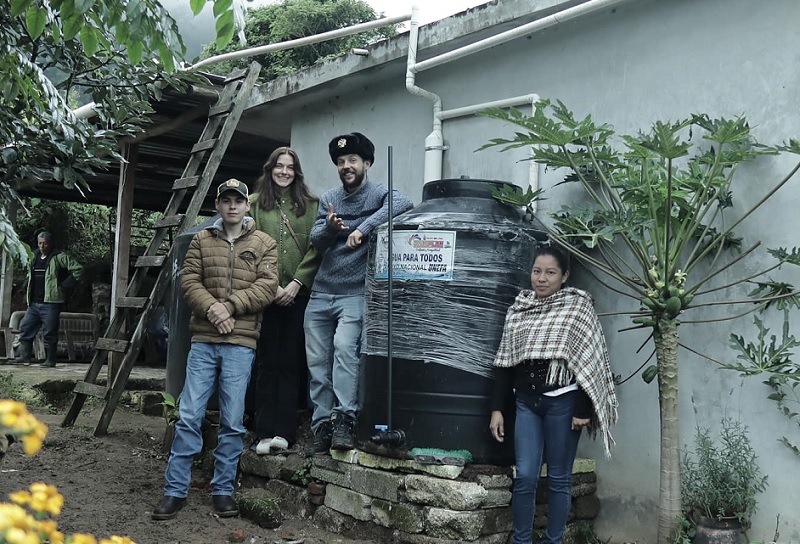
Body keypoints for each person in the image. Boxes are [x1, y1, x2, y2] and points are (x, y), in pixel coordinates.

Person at [152, 179, 278, 521]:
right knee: (190, 415)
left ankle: (223, 490)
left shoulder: (265, 243)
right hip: (204, 341)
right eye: (226, 200)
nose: (233, 206)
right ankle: (175, 491)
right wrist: (213, 310)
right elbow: (188, 282)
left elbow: (267, 287)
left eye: (238, 200)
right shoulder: (200, 240)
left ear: (247, 205)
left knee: (233, 420)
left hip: (240, 343)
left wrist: (230, 307)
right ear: (218, 205)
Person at [489, 243, 618, 544]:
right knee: (525, 478)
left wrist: (583, 410)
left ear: (565, 276)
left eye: (550, 272)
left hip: (564, 403)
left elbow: (590, 360)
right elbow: (505, 360)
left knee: (559, 479)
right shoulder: (518, 309)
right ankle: (522, 541)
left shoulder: (578, 309)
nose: (542, 278)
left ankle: (553, 540)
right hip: (526, 404)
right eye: (537, 271)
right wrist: (497, 408)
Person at [304, 132, 413, 455]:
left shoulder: (378, 193)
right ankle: (321, 426)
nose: (346, 166)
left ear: (367, 163)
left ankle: (344, 420)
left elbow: (403, 203)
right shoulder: (329, 198)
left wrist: (362, 229)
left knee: (344, 352)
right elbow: (316, 240)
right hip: (322, 292)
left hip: (354, 292)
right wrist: (331, 228)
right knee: (316, 364)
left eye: (352, 160)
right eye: (340, 162)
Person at [249, 147, 321, 455]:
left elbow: (317, 247)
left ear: (297, 172)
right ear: (271, 168)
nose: (284, 172)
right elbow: (249, 247)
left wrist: (295, 283)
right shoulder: (253, 205)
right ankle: (263, 430)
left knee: (292, 362)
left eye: (290, 167)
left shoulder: (311, 205)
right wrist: (273, 286)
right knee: (266, 362)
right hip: (265, 296)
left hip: (298, 295)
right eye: (279, 166)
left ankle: (285, 432)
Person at [10, 231, 83, 368]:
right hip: (34, 303)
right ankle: (24, 357)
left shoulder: (58, 256)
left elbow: (78, 269)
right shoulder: (34, 255)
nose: (42, 246)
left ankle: (50, 360)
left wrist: (63, 285)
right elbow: (29, 274)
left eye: (45, 243)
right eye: (40, 243)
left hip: (51, 302)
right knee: (25, 327)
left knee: (49, 331)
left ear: (50, 243)